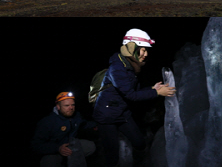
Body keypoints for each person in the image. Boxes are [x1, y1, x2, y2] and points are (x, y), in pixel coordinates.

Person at [93, 28, 176, 167]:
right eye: (143, 50)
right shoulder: (117, 67)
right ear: (132, 48)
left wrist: (152, 88)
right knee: (112, 154)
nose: (146, 54)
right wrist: (157, 93)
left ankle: (138, 162)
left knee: (139, 142)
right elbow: (131, 95)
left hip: (122, 112)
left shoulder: (130, 66)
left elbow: (133, 91)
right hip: (106, 116)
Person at [32, 92, 97, 167]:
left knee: (90, 146)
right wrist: (58, 148)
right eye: (66, 105)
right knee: (48, 163)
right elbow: (36, 145)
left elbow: (84, 124)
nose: (71, 108)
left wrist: (97, 125)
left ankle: (70, 161)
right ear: (58, 107)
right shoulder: (47, 122)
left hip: (71, 145)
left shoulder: (76, 115)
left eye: (72, 105)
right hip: (54, 150)